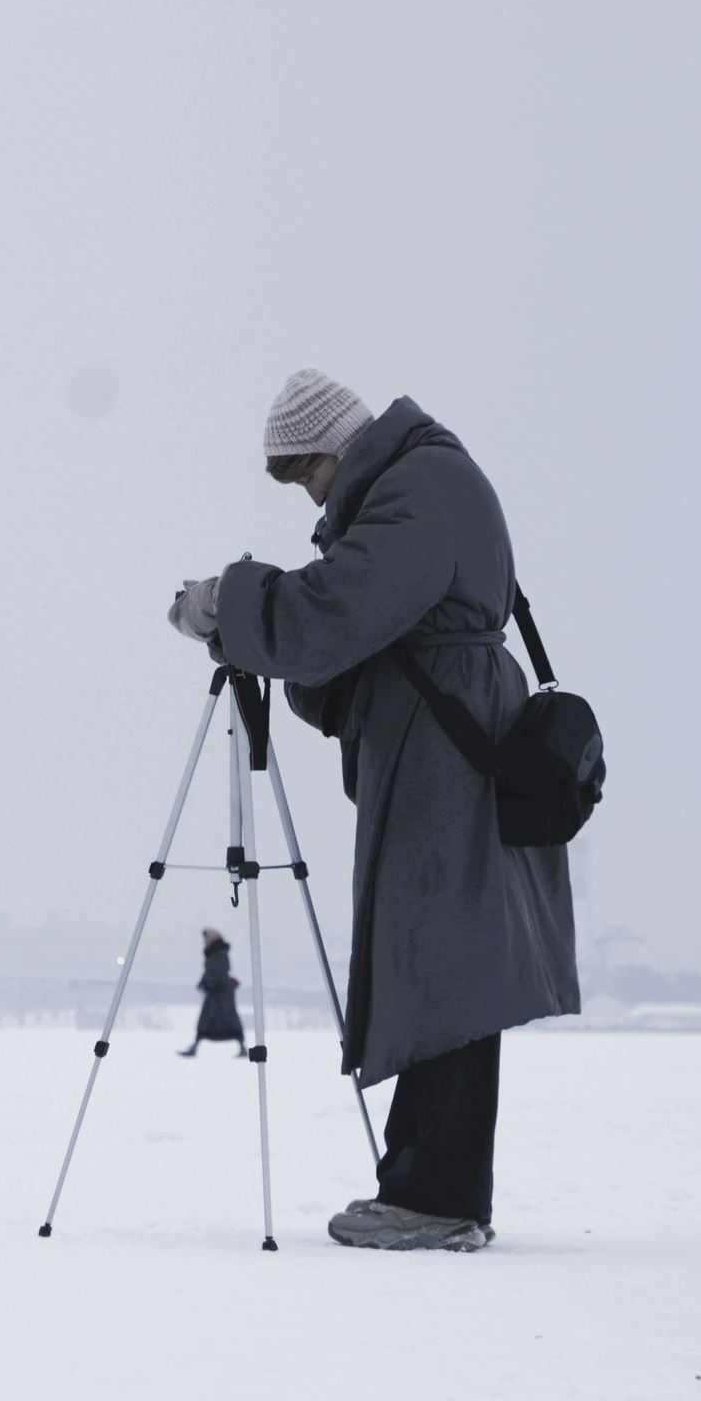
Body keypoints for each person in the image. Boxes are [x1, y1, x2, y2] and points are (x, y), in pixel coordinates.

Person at [168, 370, 580, 1252]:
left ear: (333, 449)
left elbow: (337, 609)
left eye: (301, 474)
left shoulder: (416, 488)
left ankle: (438, 1198)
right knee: (436, 957)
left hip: (449, 752)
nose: (305, 495)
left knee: (445, 961)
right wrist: (258, 632)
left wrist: (230, 602)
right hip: (444, 740)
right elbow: (361, 642)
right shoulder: (417, 480)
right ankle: (423, 1186)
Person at [177, 928, 246, 1057]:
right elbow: (212, 972)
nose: (204, 941)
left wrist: (208, 984)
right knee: (216, 1021)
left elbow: (217, 972)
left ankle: (195, 1048)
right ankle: (195, 1047)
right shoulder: (215, 952)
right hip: (218, 993)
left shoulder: (218, 953)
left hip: (220, 993)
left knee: (225, 1020)